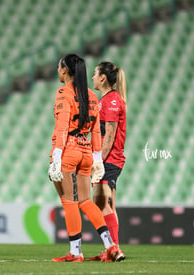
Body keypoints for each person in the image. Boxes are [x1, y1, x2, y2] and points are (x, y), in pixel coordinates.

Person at [48, 54, 124, 262]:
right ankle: (111, 246)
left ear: (64, 70)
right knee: (86, 201)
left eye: (58, 66)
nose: (57, 70)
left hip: (69, 151)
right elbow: (96, 132)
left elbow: (62, 127)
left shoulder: (63, 93)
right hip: (86, 152)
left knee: (69, 202)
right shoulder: (91, 96)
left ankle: (75, 252)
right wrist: (97, 159)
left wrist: (56, 157)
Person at [86, 61, 127, 261]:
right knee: (108, 205)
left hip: (109, 159)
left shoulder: (111, 101)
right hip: (109, 159)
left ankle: (113, 249)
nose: (92, 77)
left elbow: (109, 135)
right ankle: (113, 249)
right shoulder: (108, 99)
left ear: (103, 77)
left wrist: (98, 161)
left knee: (101, 203)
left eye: (95, 74)